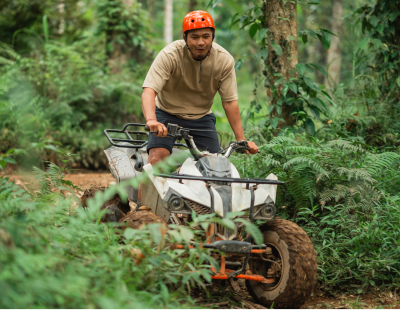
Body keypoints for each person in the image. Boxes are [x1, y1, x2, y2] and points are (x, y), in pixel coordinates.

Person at [141, 10, 259, 166]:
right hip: (166, 112)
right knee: (156, 160)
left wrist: (241, 140)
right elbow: (149, 90)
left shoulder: (224, 60)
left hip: (201, 117)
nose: (201, 42)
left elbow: (230, 102)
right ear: (185, 38)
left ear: (213, 37)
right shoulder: (170, 55)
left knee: (216, 166)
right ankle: (145, 190)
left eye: (206, 36)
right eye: (194, 37)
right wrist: (151, 120)